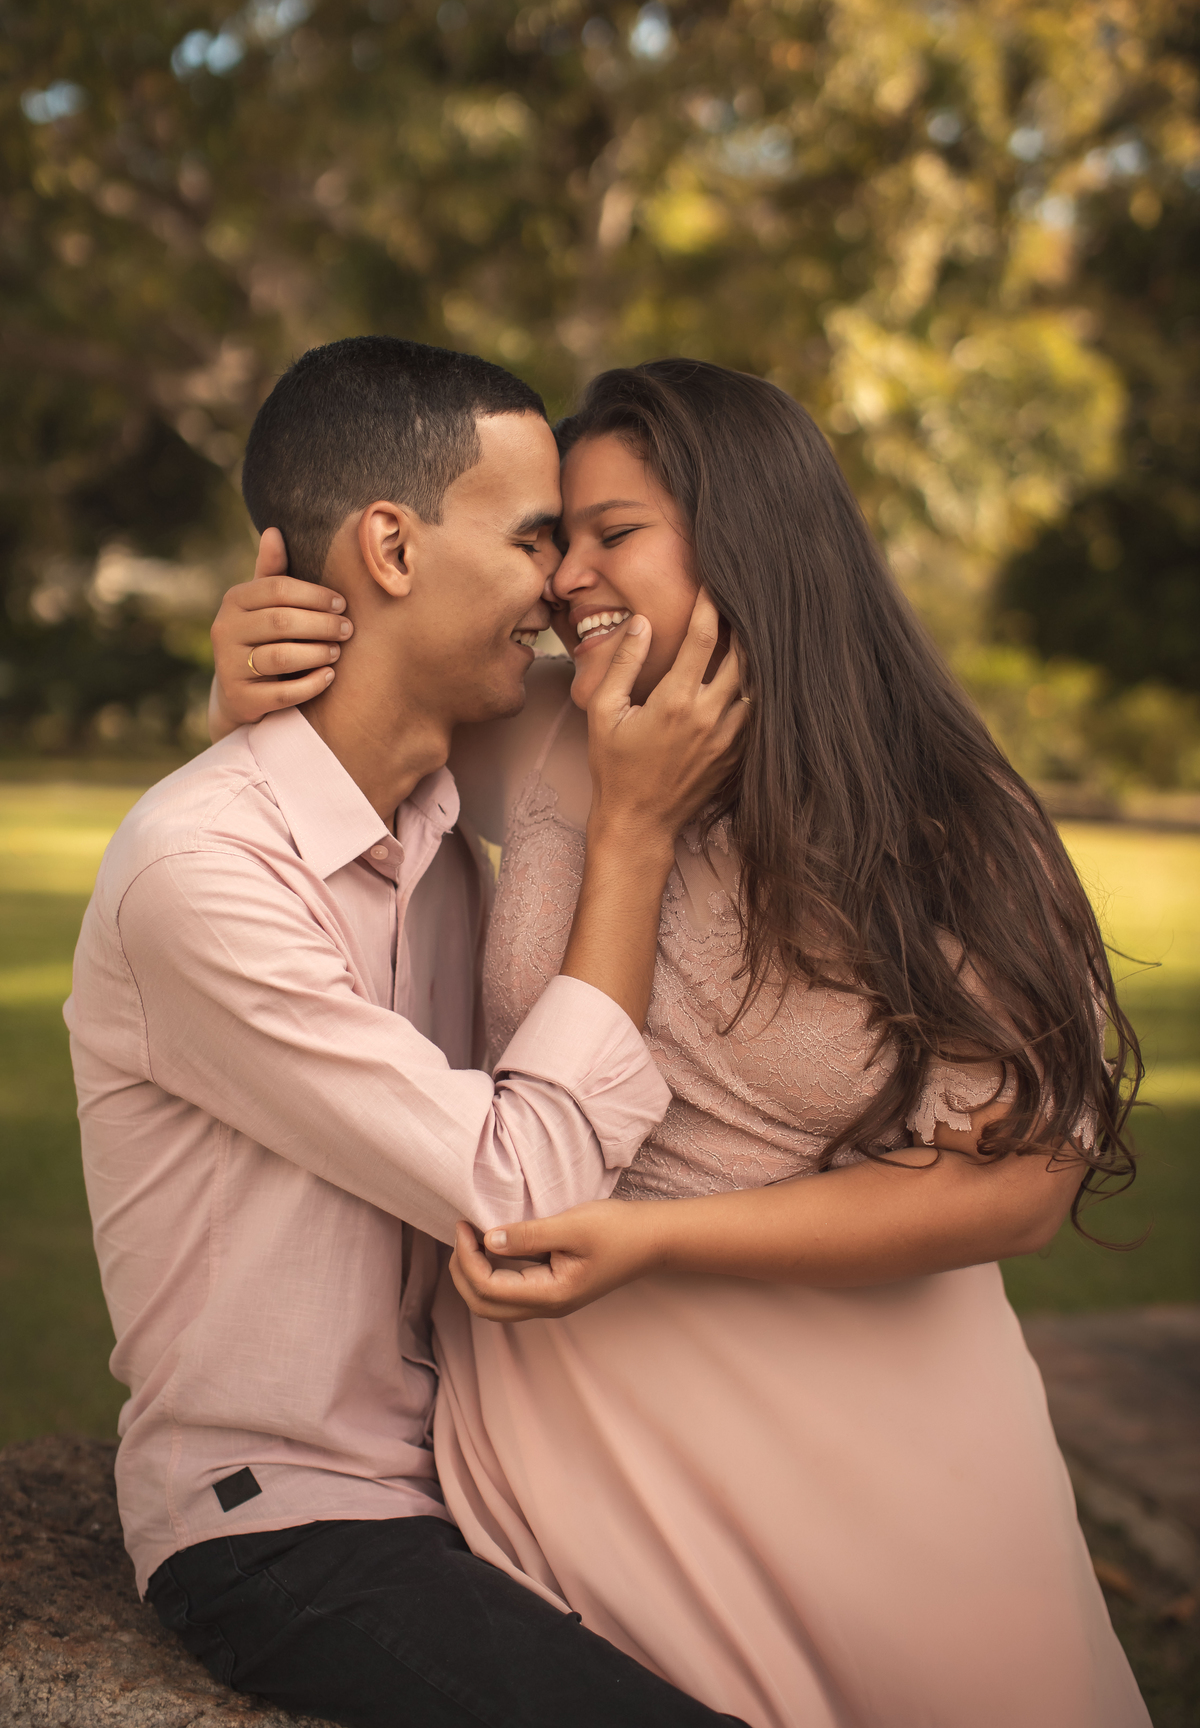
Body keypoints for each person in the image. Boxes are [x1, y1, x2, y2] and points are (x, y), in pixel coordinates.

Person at [212, 358, 1150, 1727]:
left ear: (749, 539)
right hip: (595, 1438)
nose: (564, 577)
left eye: (612, 534)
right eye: (551, 538)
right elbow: (324, 750)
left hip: (887, 1443)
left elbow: (1022, 1183)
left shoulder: (946, 819)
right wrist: (246, 663)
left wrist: (656, 1241)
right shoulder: (539, 740)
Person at [67, 337, 752, 1728]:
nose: (562, 587)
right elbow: (521, 1188)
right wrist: (631, 837)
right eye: (535, 538)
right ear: (389, 545)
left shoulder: (438, 839)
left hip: (480, 1465)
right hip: (290, 1526)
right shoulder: (203, 872)